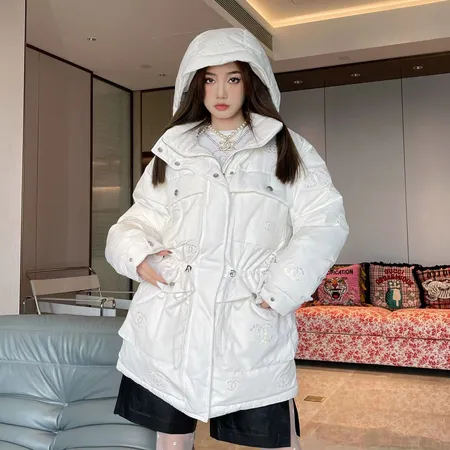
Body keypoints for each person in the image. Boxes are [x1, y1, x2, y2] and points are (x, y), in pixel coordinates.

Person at [105, 28, 348, 450]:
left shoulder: (287, 148)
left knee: (277, 439)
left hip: (248, 319)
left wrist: (282, 286)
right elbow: (139, 217)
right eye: (209, 79)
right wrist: (138, 256)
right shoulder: (173, 150)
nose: (220, 92)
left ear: (251, 82)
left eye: (233, 78)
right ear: (194, 85)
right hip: (172, 318)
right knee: (171, 440)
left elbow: (324, 222)